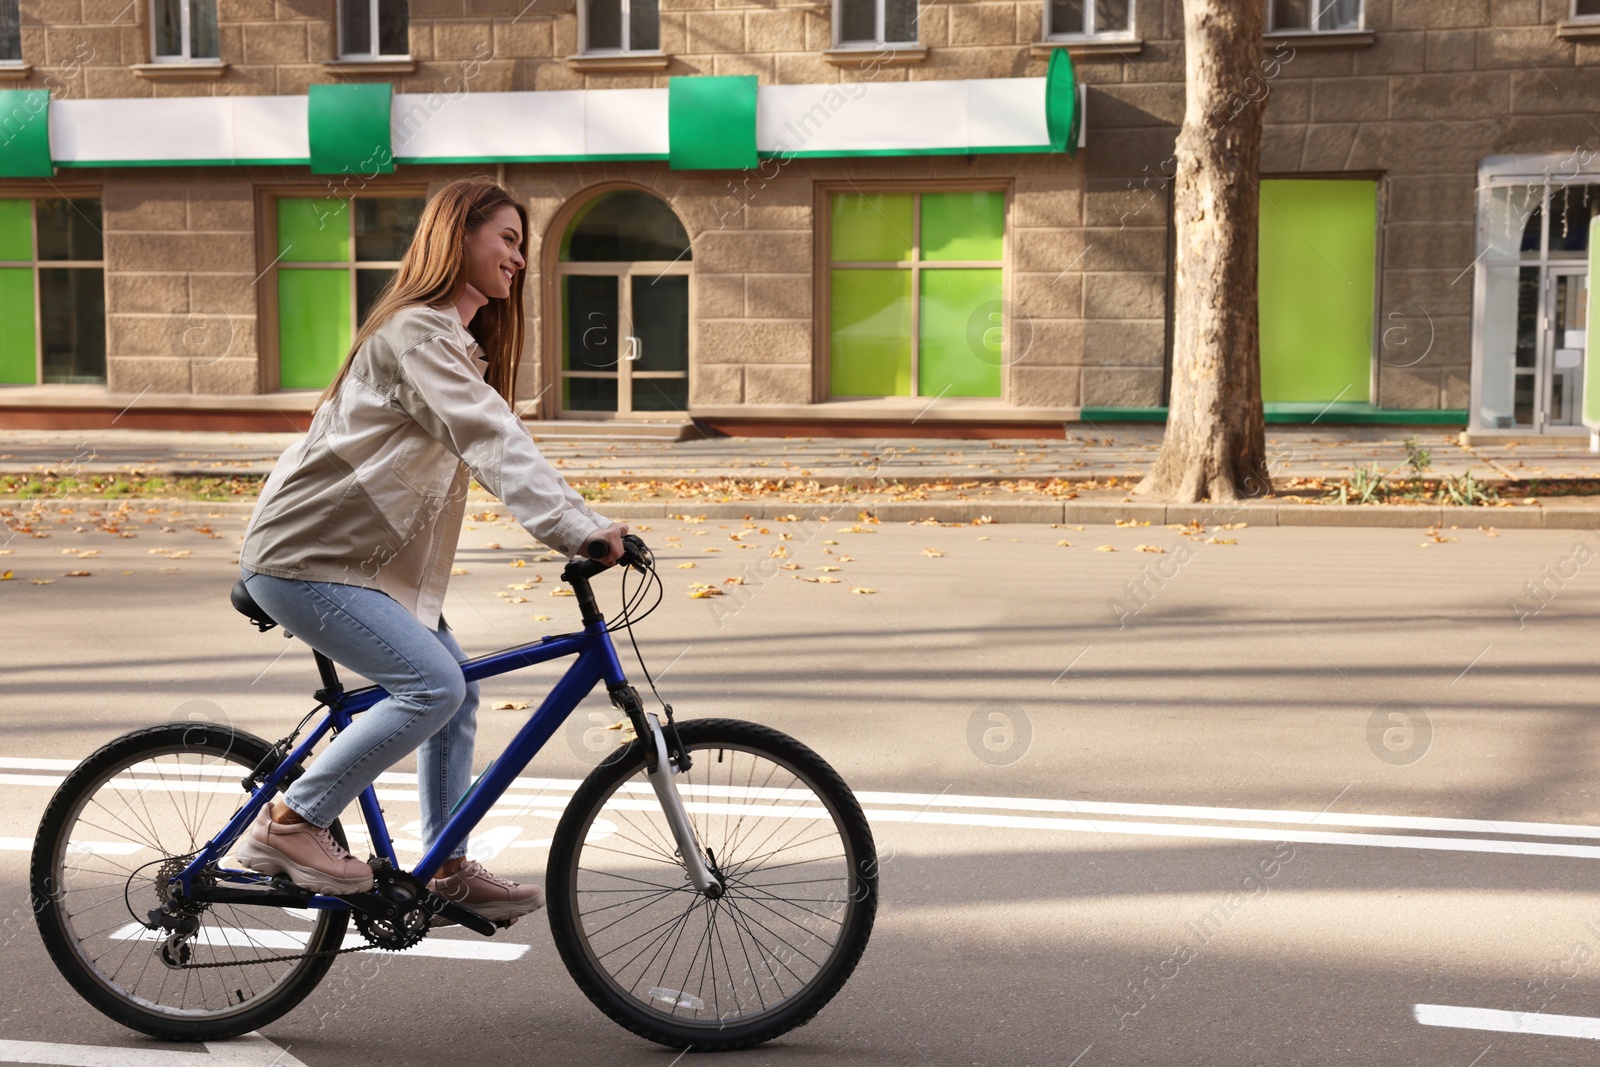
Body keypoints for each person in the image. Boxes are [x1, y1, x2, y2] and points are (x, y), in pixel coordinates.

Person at [232, 178, 627, 923]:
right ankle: (291, 823)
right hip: (306, 557)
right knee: (433, 686)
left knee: (459, 689)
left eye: (521, 244)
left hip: (360, 568)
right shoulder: (417, 334)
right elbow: (491, 439)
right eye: (506, 239)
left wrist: (581, 518)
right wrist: (577, 528)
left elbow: (495, 440)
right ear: (458, 237)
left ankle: (443, 863)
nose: (517, 257)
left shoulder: (451, 344)